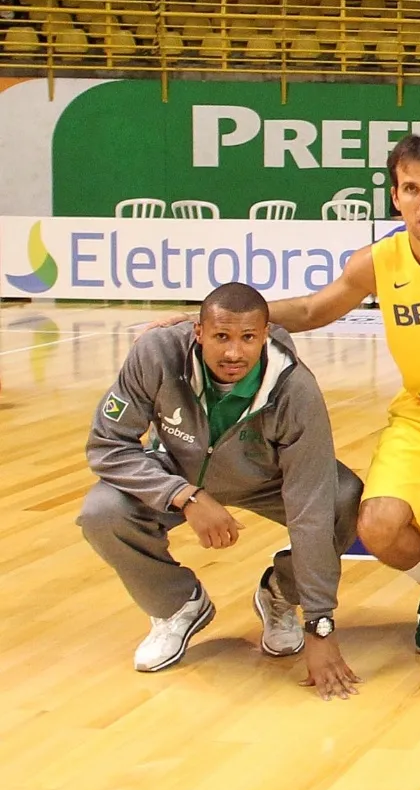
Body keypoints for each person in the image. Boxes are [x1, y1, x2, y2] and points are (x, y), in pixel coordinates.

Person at [200, 136, 420, 667]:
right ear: (395, 197)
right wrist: (216, 322)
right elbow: (316, 308)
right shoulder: (378, 261)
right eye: (412, 189)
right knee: (377, 526)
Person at [79, 284, 363, 699]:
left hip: (267, 478)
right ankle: (177, 605)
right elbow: (107, 445)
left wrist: (319, 622)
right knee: (102, 511)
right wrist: (183, 495)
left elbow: (311, 510)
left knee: (342, 498)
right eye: (221, 337)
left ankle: (283, 592)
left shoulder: (295, 389)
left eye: (248, 338)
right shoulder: (157, 355)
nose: (233, 353)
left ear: (265, 335)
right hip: (178, 468)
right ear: (198, 332)